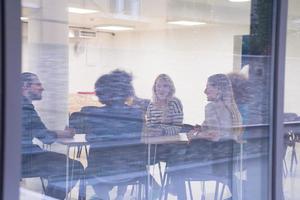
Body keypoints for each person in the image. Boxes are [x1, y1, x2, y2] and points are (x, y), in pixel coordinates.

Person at [81, 71, 146, 200]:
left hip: (101, 173)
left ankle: (104, 197)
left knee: (92, 170)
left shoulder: (92, 113)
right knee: (121, 158)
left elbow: (90, 138)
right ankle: (120, 196)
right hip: (131, 172)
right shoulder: (137, 113)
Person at [21, 72, 84, 200]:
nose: (42, 88)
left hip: (18, 156)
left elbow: (40, 132)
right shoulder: (24, 107)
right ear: (25, 86)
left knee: (59, 167)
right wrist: (65, 133)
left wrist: (61, 133)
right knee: (74, 167)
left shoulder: (14, 104)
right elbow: (46, 138)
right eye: (38, 84)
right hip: (23, 158)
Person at [189, 73, 243, 200]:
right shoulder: (233, 109)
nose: (204, 91)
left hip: (214, 162)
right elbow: (217, 130)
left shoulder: (211, 107)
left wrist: (196, 135)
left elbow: (215, 136)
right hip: (229, 161)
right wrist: (200, 129)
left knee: (174, 169)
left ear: (219, 89)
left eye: (208, 87)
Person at [144, 74, 185, 199]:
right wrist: (151, 131)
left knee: (177, 165)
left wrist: (162, 130)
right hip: (154, 146)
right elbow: (149, 125)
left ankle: (180, 194)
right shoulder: (151, 105)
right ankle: (155, 187)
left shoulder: (175, 102)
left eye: (165, 86)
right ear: (155, 88)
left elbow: (177, 127)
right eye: (159, 86)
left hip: (169, 146)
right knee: (136, 158)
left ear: (170, 88)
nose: (161, 89)